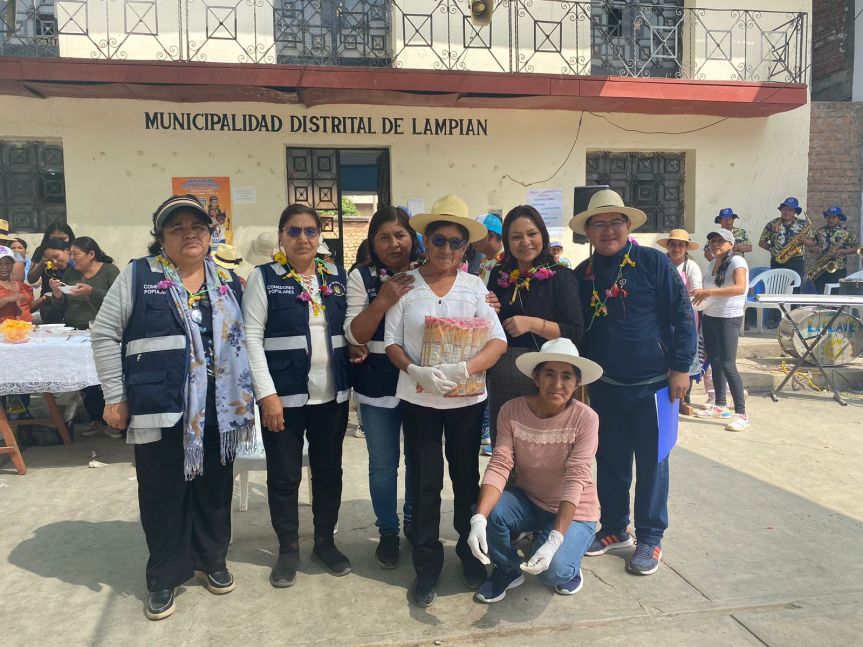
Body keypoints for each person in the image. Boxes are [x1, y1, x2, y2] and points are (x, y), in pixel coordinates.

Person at [91, 195, 255, 621]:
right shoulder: (138, 275)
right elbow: (105, 333)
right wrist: (114, 396)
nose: (189, 234)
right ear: (160, 236)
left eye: (197, 227)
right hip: (157, 405)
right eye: (176, 227)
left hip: (219, 409)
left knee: (214, 488)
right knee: (163, 493)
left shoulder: (229, 281)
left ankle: (212, 560)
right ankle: (164, 576)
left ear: (210, 233)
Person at [384, 194, 507, 607]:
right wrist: (415, 371)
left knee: (465, 479)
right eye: (439, 240)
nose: (448, 249)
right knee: (424, 482)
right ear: (426, 240)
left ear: (466, 248)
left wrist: (465, 370)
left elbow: (497, 341)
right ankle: (426, 565)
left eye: (457, 243)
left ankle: (469, 555)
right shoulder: (405, 285)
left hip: (466, 403)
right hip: (419, 400)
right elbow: (391, 343)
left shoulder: (475, 288)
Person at [571, 189, 696, 576]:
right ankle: (613, 529)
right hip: (606, 385)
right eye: (599, 224)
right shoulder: (583, 274)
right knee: (610, 461)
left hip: (656, 384)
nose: (608, 230)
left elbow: (682, 315)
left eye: (615, 222)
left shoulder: (654, 262)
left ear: (627, 226)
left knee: (653, 463)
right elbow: (579, 331)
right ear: (588, 231)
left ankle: (650, 538)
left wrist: (681, 368)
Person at [242, 203, 353, 588]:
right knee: (285, 477)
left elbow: (352, 326)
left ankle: (325, 542)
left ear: (319, 236)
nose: (302, 238)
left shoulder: (335, 274)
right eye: (293, 231)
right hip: (284, 399)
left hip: (332, 397)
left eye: (309, 230)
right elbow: (251, 339)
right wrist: (266, 395)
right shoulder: (264, 277)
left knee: (328, 473)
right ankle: (288, 549)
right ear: (281, 237)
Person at [467, 338, 602, 602]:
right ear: (536, 377)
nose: (558, 384)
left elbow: (576, 478)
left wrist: (555, 540)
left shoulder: (586, 418)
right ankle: (506, 569)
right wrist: (479, 519)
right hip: (530, 500)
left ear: (577, 383)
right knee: (486, 509)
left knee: (554, 573)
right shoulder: (512, 410)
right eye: (549, 374)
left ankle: (568, 558)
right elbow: (500, 463)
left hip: (575, 510)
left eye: (567, 377)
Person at [345, 206, 419, 568]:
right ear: (373, 243)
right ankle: (388, 530)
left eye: (401, 235)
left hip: (421, 383)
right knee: (383, 464)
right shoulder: (361, 276)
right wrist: (384, 299)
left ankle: (412, 523)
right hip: (376, 381)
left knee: (420, 460)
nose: (394, 244)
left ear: (413, 238)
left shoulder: (428, 272)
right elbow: (356, 333)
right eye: (384, 237)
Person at [487, 205, 584, 446]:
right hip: (502, 372)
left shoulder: (561, 277)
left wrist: (532, 324)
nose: (525, 242)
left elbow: (575, 332)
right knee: (505, 443)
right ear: (507, 242)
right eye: (516, 237)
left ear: (543, 235)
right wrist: (488, 310)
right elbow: (492, 324)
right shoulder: (499, 275)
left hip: (546, 372)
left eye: (532, 234)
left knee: (542, 446)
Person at [692, 229, 750, 431]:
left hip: (729, 318)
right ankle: (720, 405)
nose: (715, 244)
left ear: (730, 244)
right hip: (711, 315)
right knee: (714, 362)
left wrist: (708, 291)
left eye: (720, 241)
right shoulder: (711, 264)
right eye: (713, 241)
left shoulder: (737, 262)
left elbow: (739, 288)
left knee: (728, 364)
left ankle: (741, 413)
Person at [656, 229, 703, 416]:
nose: (676, 248)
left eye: (680, 245)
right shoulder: (661, 264)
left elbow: (696, 293)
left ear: (686, 248)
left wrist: (677, 305)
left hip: (686, 316)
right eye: (673, 245)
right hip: (663, 318)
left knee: (685, 355)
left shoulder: (691, 267)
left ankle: (685, 398)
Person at [44, 237, 119, 330]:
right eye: (70, 254)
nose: (71, 258)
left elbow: (118, 299)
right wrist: (56, 293)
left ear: (91, 254)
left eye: (75, 254)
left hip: (102, 329)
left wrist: (91, 291)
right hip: (71, 329)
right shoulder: (70, 273)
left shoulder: (109, 270)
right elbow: (60, 307)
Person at [803, 206, 860, 295]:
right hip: (821, 268)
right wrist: (814, 249)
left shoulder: (847, 231)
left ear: (839, 218)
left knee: (835, 295)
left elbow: (857, 248)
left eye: (834, 217)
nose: (830, 220)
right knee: (821, 294)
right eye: (828, 217)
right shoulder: (820, 231)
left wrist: (843, 252)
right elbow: (810, 247)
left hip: (838, 268)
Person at [759, 196, 807, 281]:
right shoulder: (772, 224)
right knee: (777, 288)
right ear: (781, 210)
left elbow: (812, 242)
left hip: (796, 261)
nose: (786, 212)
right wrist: (773, 249)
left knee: (796, 289)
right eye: (784, 209)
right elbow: (761, 242)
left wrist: (805, 241)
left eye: (790, 210)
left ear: (795, 211)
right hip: (778, 261)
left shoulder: (803, 224)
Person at [0, 245, 34, 323]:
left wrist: (42, 300)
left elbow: (29, 307)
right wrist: (7, 299)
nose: (4, 267)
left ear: (12, 265)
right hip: (3, 332)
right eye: (0, 263)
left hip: (25, 330)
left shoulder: (21, 285)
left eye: (8, 263)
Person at [469, 213, 504, 285]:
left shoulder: (508, 261)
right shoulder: (483, 262)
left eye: (476, 236)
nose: (472, 241)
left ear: (491, 236)